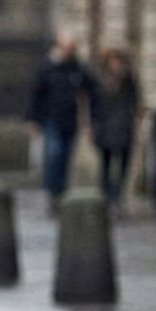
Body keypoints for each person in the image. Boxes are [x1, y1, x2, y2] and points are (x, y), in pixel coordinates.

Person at [25, 31, 95, 209]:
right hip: (51, 119)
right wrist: (32, 119)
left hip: (70, 119)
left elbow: (91, 90)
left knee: (66, 156)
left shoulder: (77, 68)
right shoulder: (48, 68)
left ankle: (62, 190)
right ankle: (53, 191)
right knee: (54, 154)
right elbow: (36, 94)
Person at [92, 45, 142, 208]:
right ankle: (107, 193)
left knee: (123, 163)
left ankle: (118, 194)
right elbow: (94, 102)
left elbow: (135, 101)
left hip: (123, 126)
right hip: (105, 126)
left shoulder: (128, 79)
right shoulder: (99, 78)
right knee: (105, 164)